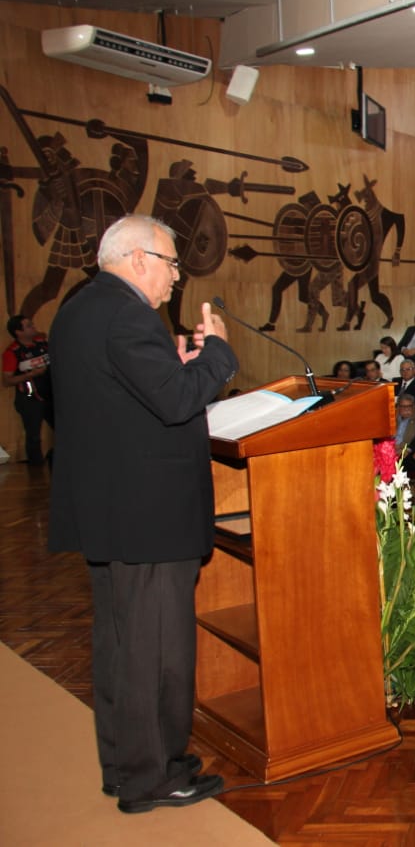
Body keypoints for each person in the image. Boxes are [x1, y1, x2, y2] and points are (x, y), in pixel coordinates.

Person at [49, 214, 236, 812]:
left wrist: (173, 363)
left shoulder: (79, 309)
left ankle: (125, 767)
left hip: (110, 508)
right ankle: (156, 776)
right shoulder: (129, 315)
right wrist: (218, 357)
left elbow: (128, 398)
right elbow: (178, 401)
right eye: (172, 264)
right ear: (138, 260)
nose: (176, 279)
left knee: (121, 646)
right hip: (148, 514)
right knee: (158, 652)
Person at [3, 314, 53, 465]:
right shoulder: (13, 352)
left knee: (63, 427)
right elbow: (7, 380)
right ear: (18, 332)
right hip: (30, 397)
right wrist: (32, 374)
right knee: (34, 435)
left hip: (50, 394)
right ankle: (36, 468)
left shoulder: (42, 342)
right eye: (29, 325)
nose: (33, 326)